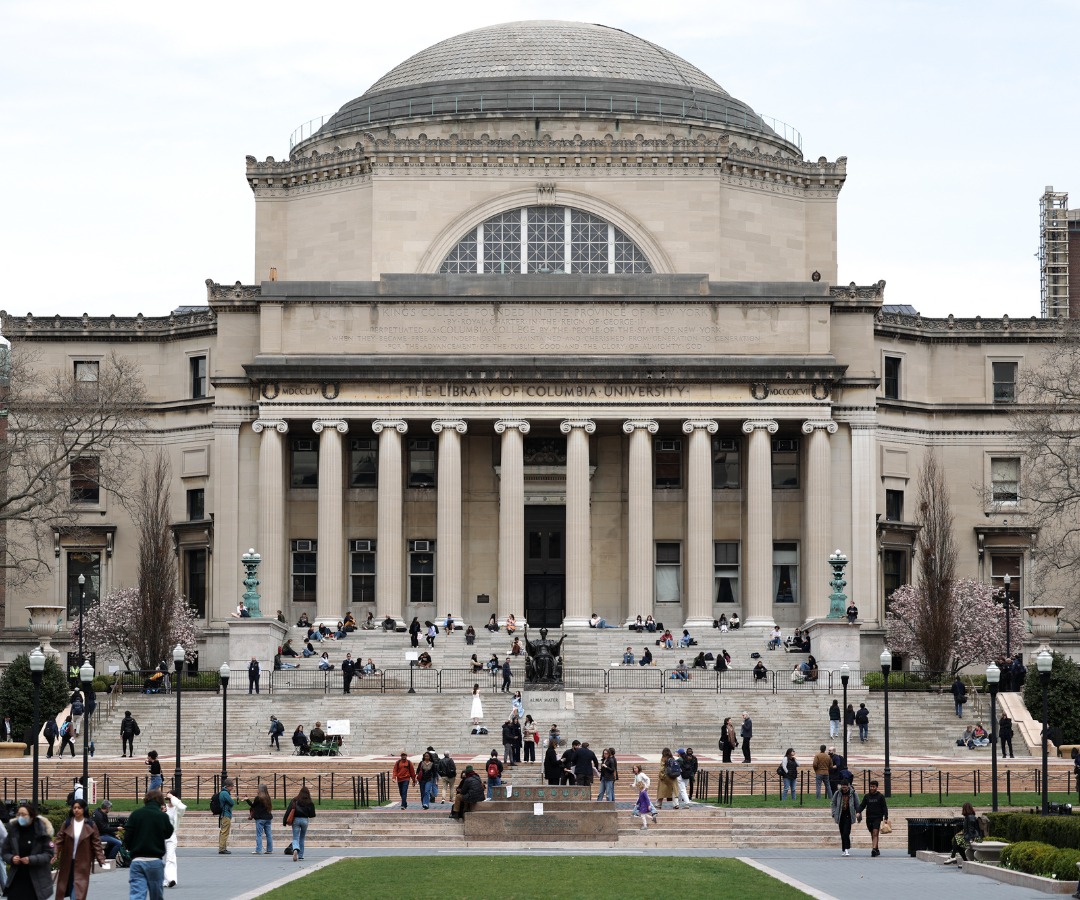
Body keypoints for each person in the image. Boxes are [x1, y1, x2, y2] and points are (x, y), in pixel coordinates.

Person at [52, 798, 105, 900]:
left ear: (84, 809)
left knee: (78, 889)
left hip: (82, 862)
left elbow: (96, 843)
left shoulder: (90, 824)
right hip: (67, 861)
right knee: (67, 884)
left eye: (79, 808)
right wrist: (55, 854)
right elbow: (59, 839)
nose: (76, 810)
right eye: (74, 807)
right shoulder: (67, 823)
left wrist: (101, 859)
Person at [3, 802, 53, 900]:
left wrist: (31, 860)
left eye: (24, 814)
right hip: (17, 877)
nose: (20, 817)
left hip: (36, 880)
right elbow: (5, 852)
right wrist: (12, 858)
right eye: (18, 814)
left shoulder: (42, 832)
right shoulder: (13, 831)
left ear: (31, 816)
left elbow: (48, 854)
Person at [282, 786, 315, 861]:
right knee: (302, 838)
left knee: (295, 838)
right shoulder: (309, 802)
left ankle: (295, 848)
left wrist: (284, 821)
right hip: (305, 820)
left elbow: (288, 810)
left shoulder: (295, 800)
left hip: (296, 820)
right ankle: (301, 856)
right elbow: (312, 814)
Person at [857, 779, 889, 857]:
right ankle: (876, 848)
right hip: (869, 818)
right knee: (872, 833)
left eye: (873, 787)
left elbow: (884, 807)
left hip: (878, 817)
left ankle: (874, 849)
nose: (871, 788)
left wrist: (886, 817)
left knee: (875, 832)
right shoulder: (867, 796)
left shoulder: (880, 796)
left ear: (877, 787)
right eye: (871, 786)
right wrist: (858, 812)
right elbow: (862, 805)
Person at [161, 792, 186, 887]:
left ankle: (171, 879)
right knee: (162, 858)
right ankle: (164, 880)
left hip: (171, 835)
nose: (169, 801)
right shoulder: (162, 807)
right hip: (160, 835)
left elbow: (182, 807)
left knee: (170, 857)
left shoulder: (177, 808)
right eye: (167, 799)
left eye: (170, 799)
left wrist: (173, 798)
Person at [831, 781, 861, 856]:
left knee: (846, 833)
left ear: (848, 786)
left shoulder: (853, 793)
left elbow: (857, 805)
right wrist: (834, 813)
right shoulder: (838, 793)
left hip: (849, 815)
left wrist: (859, 816)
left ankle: (847, 849)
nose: (844, 789)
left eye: (845, 787)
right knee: (842, 832)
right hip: (840, 816)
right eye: (842, 787)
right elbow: (833, 803)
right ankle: (844, 849)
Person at [242, 785, 273, 854]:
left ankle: (258, 850)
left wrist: (247, 799)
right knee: (269, 834)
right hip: (268, 818)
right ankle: (269, 849)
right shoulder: (268, 798)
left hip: (260, 818)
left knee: (259, 834)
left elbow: (252, 805)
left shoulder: (258, 798)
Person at [632, 765, 658, 829]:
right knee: (644, 814)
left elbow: (647, 799)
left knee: (643, 815)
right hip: (642, 804)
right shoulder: (636, 775)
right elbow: (639, 799)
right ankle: (652, 817)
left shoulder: (641, 774)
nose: (634, 769)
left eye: (635, 768)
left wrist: (647, 786)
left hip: (644, 803)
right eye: (634, 768)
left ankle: (645, 825)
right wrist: (636, 804)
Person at [216, 778, 234, 854]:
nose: (232, 787)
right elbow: (232, 802)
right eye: (231, 786)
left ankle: (223, 847)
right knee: (225, 832)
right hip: (226, 814)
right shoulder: (225, 793)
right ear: (227, 786)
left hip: (224, 814)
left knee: (223, 832)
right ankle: (222, 848)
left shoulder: (223, 792)